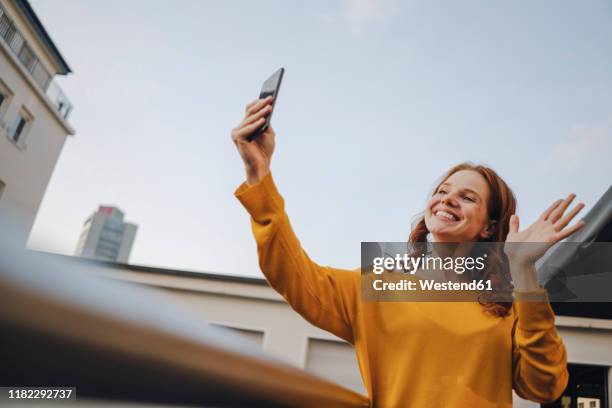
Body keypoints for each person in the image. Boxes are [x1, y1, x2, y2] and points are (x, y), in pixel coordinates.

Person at [231, 96, 585, 407]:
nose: (447, 199)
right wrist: (258, 176)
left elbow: (545, 386)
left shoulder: (509, 305)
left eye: (467, 197)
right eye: (443, 190)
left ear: (489, 227)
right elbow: (292, 274)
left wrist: (523, 269)